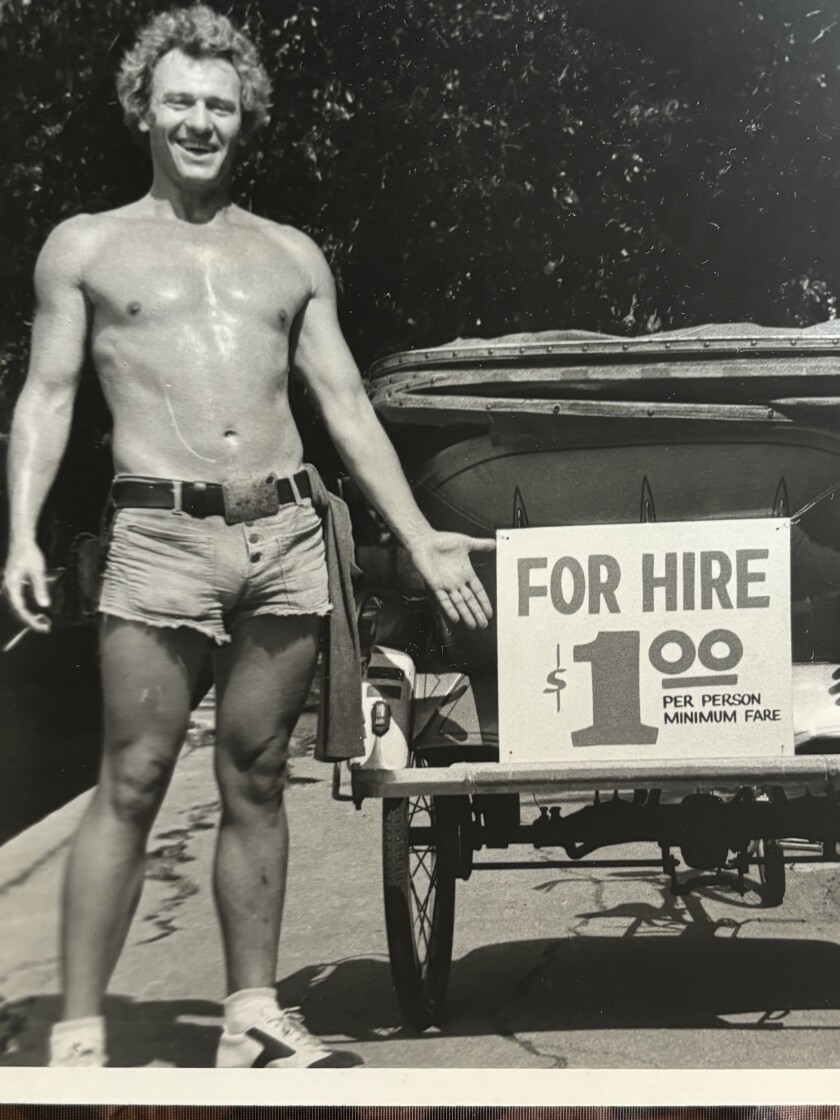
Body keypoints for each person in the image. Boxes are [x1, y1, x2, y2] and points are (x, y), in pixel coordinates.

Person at [2, 4, 494, 1069]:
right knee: (130, 778)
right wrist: (20, 538)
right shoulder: (85, 246)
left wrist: (418, 537)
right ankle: (77, 1034)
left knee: (257, 775)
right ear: (145, 107)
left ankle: (253, 1015)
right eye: (180, 100)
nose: (198, 121)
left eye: (219, 106)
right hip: (158, 536)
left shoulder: (289, 257)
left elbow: (346, 404)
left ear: (245, 120)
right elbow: (44, 397)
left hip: (282, 537)